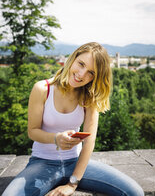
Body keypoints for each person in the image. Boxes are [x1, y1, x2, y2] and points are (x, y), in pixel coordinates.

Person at [2, 42, 144, 196]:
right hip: (42, 163)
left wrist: (72, 183)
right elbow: (32, 131)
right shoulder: (43, 89)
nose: (82, 74)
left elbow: (89, 141)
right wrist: (56, 138)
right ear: (73, 58)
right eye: (81, 64)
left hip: (75, 163)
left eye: (91, 73)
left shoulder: (89, 97)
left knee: (134, 192)